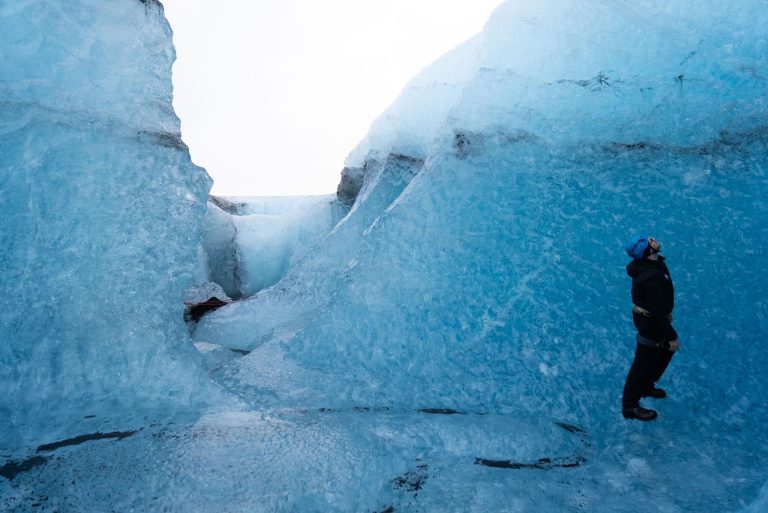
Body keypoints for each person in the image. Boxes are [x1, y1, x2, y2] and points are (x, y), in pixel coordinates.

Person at [621, 234, 680, 421]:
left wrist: (666, 310)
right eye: (650, 240)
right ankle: (630, 407)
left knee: (664, 351)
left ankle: (646, 386)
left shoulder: (654, 264)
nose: (654, 239)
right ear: (647, 251)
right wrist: (671, 335)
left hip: (653, 316)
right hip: (650, 321)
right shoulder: (652, 275)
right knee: (643, 361)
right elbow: (655, 311)